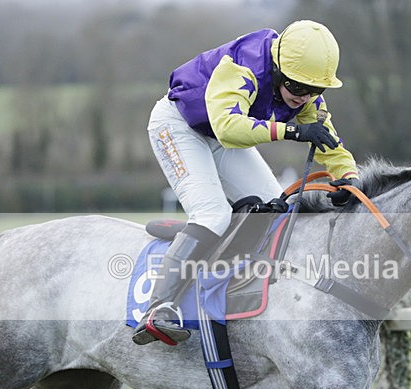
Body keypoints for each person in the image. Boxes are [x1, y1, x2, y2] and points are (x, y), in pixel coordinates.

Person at [134, 20, 360, 346]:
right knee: (213, 215)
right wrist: (292, 131)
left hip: (219, 138)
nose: (305, 97)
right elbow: (226, 126)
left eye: (315, 90)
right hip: (179, 127)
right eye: (297, 88)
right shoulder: (244, 66)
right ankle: (158, 309)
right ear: (279, 71)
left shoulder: (304, 88)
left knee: (274, 208)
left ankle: (228, 279)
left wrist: (349, 178)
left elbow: (332, 145)